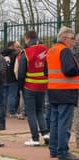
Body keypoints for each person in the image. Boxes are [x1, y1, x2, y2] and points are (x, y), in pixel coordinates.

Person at [46, 26, 79, 160]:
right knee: (64, 124)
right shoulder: (65, 51)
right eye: (72, 39)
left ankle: (53, 150)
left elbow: (45, 71)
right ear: (65, 39)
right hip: (66, 91)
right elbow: (69, 70)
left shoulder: (51, 50)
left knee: (54, 123)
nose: (74, 42)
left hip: (53, 91)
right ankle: (63, 152)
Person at [18, 31, 49, 146]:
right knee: (40, 110)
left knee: (31, 113)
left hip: (29, 86)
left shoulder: (26, 52)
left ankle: (35, 139)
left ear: (27, 38)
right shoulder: (46, 49)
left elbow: (21, 73)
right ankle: (46, 134)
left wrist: (20, 88)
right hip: (43, 85)